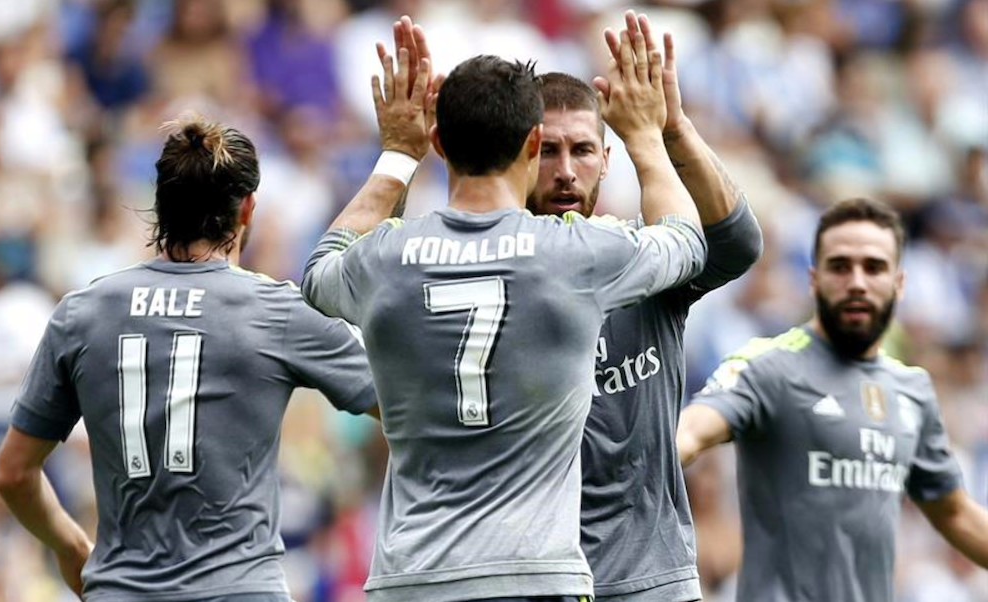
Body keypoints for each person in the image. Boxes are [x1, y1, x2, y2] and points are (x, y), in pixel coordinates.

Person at [301, 14, 707, 602]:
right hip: (534, 575)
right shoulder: (574, 253)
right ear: (533, 145)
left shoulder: (386, 257)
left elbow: (319, 274)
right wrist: (645, 138)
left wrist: (397, 155)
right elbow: (686, 241)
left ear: (440, 144)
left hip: (415, 577)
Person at [0, 115, 379, 602]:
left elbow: (13, 473)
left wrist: (71, 547)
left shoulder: (83, 312)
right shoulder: (275, 311)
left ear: (161, 208)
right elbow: (407, 405)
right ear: (247, 209)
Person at [525, 12, 762, 602]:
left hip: (654, 578)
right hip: (535, 577)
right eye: (547, 151)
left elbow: (738, 243)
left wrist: (670, 128)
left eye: (582, 150)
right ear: (520, 158)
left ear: (607, 160)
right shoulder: (487, 270)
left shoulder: (646, 258)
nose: (565, 171)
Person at [677, 197, 988, 602]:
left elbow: (955, 513)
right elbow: (689, 433)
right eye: (840, 266)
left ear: (899, 283)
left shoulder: (911, 389)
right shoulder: (768, 366)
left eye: (874, 267)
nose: (857, 281)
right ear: (814, 278)